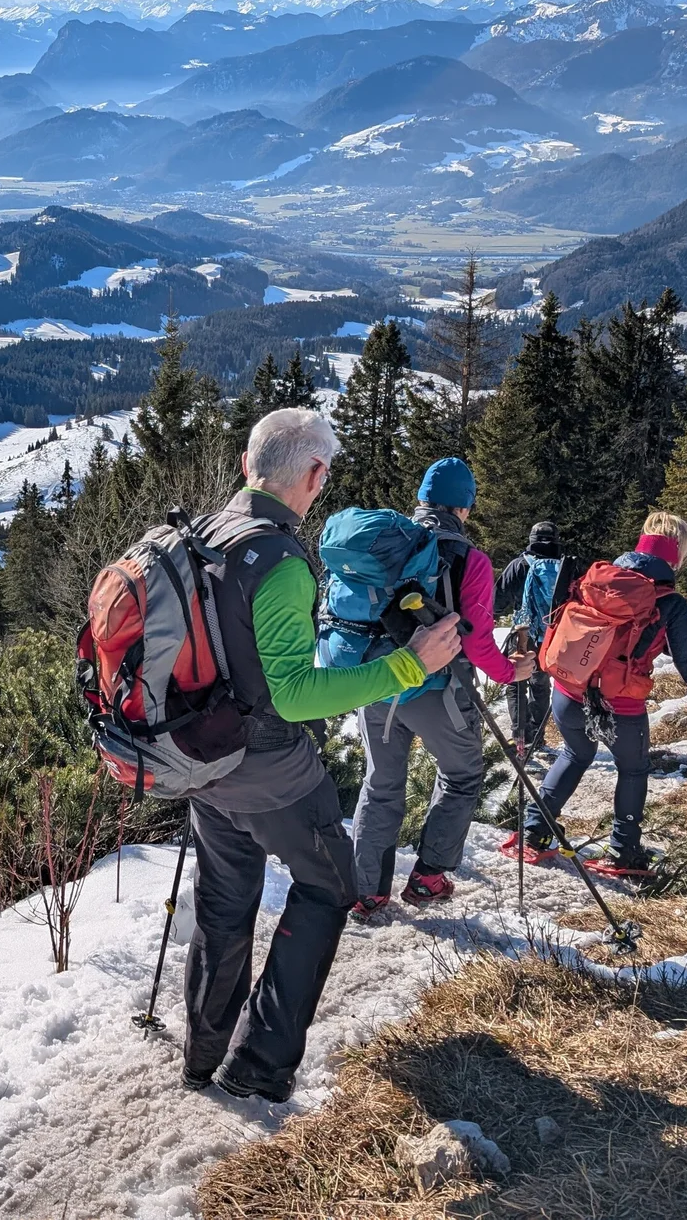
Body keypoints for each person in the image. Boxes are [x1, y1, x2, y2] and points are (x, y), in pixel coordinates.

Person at [182, 408, 462, 1104]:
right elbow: (298, 693)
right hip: (268, 767)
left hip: (203, 760)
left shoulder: (207, 534)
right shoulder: (279, 561)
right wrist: (406, 665)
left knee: (224, 903)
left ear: (249, 464)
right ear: (313, 474)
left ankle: (201, 1054)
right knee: (331, 886)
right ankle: (260, 1062)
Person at [504, 513, 687, 877]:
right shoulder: (669, 603)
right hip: (620, 702)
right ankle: (623, 852)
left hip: (568, 689)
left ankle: (532, 833)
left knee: (575, 753)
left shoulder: (600, 579)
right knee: (632, 770)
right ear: (676, 555)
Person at [346, 457, 534, 922]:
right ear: (464, 507)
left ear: (422, 498)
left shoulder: (388, 543)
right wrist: (512, 674)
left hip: (376, 682)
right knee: (463, 774)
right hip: (437, 687)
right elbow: (475, 639)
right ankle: (428, 878)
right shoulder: (470, 559)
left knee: (381, 782)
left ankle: (365, 890)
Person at [493, 520, 569, 758]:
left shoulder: (518, 565)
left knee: (516, 683)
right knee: (541, 684)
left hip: (523, 634)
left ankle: (520, 739)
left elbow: (497, 603)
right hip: (553, 635)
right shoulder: (565, 567)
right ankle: (537, 736)